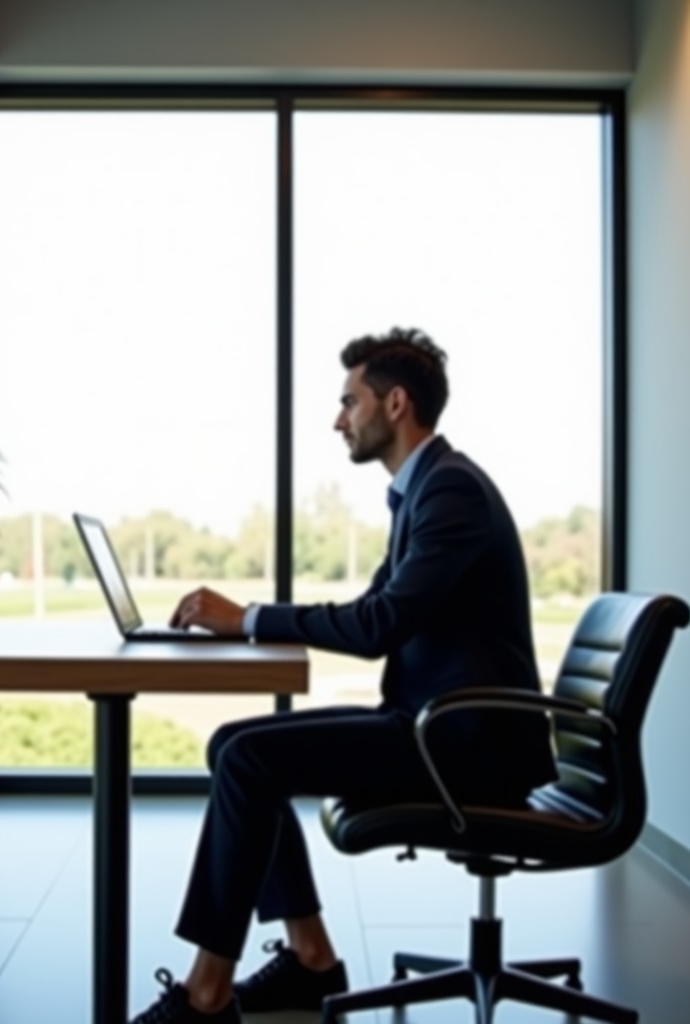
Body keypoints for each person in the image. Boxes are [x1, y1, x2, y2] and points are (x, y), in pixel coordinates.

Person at [130, 326, 557, 1024]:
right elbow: (373, 610)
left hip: (465, 747)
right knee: (233, 746)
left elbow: (376, 626)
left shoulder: (451, 492)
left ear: (395, 403)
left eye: (349, 401)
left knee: (248, 759)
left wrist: (248, 619)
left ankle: (206, 997)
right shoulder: (426, 491)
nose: (338, 419)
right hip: (435, 726)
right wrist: (252, 620)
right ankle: (312, 962)